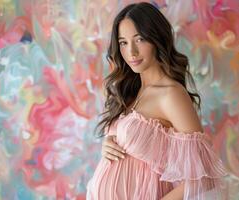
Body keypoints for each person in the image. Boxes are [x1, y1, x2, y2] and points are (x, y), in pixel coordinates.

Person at [86, 2, 227, 200]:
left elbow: (203, 178)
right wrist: (109, 143)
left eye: (140, 39)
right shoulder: (129, 91)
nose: (131, 52)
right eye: (123, 42)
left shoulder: (171, 95)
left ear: (157, 38)